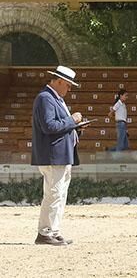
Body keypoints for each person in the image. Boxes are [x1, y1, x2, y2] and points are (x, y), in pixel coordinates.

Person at [31, 66, 85, 246]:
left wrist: (76, 128)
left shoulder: (55, 98)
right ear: (59, 81)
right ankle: (45, 232)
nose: (69, 89)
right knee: (54, 194)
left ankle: (53, 230)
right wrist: (73, 120)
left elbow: (58, 127)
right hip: (53, 155)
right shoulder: (45, 98)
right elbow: (49, 126)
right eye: (68, 85)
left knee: (59, 195)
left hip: (61, 154)